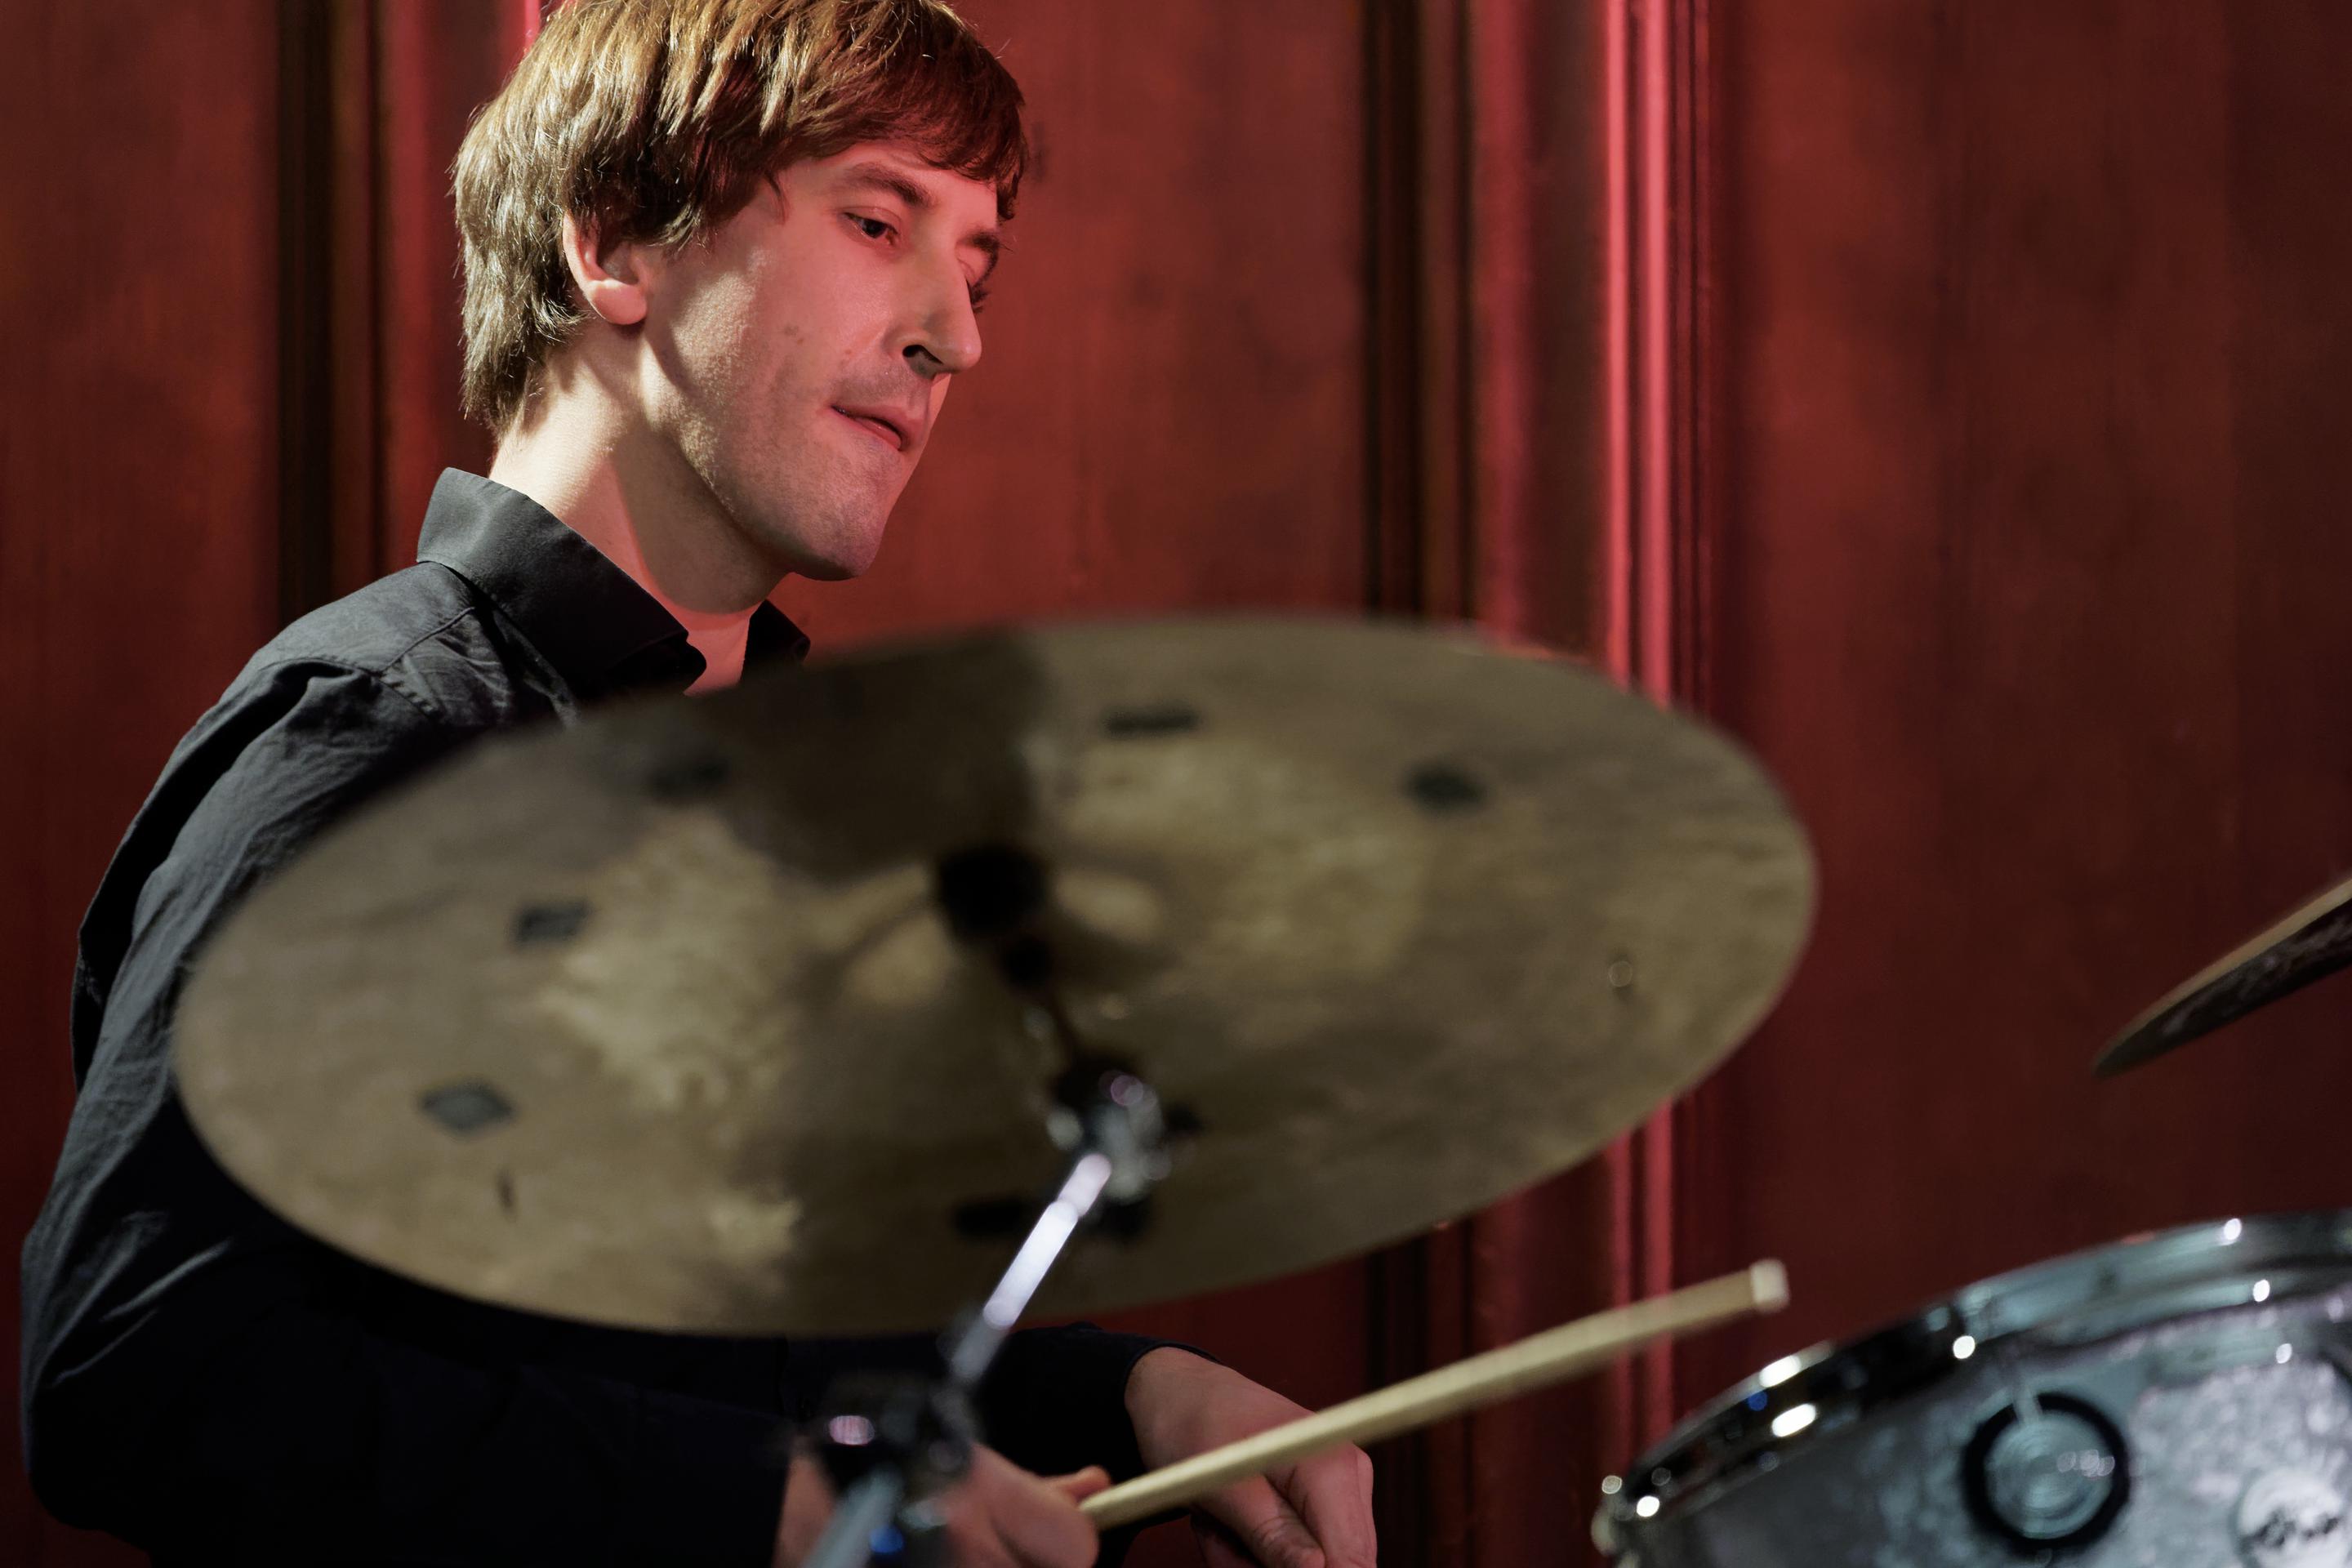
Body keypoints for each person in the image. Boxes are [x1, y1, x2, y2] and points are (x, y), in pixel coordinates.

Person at [17, 2, 1377, 1564]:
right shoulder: (384, 740)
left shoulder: (781, 792)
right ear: (616, 243)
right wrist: (767, 1509)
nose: (957, 336)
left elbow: (738, 1372)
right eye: (879, 223)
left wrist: (1128, 1396)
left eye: (979, 267)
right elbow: (134, 1373)